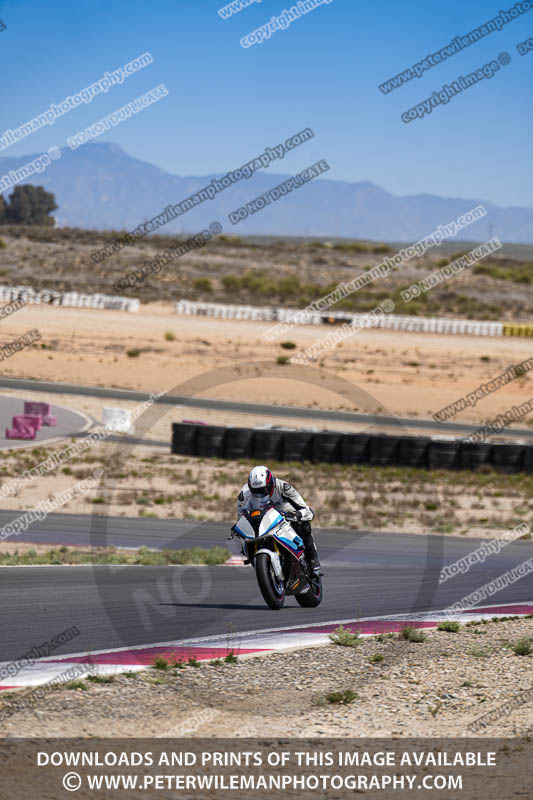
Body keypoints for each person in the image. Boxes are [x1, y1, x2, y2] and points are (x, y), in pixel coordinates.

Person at [236, 465, 322, 575]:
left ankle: (313, 560)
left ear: (271, 484)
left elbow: (306, 509)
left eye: (264, 490)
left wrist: (297, 514)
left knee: (304, 526)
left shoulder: (283, 487)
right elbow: (240, 518)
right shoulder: (244, 494)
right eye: (256, 491)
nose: (261, 494)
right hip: (262, 518)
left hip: (286, 517)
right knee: (243, 536)